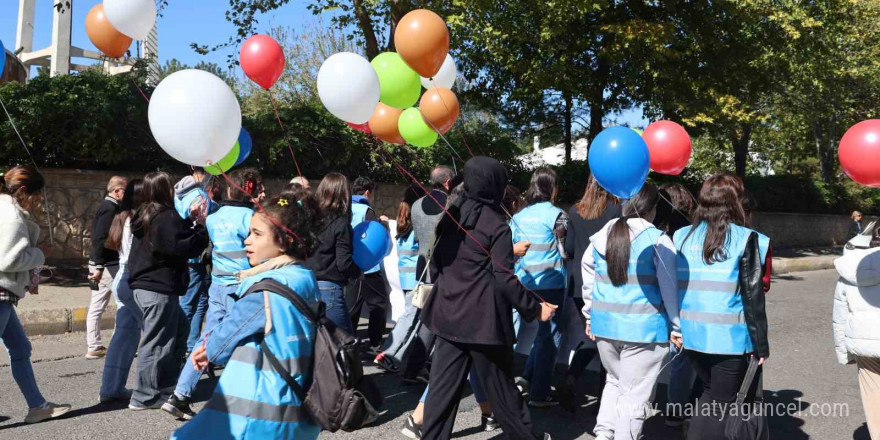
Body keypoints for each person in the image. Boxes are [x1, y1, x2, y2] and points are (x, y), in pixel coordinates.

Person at [420, 156, 556, 440]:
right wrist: (535, 308)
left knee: (441, 395)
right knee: (504, 392)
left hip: (448, 316)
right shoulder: (497, 225)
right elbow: (504, 278)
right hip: (483, 323)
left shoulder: (451, 214)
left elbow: (436, 265)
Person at [171, 196, 321, 440]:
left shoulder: (264, 292)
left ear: (284, 241)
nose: (247, 240)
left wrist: (207, 349)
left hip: (257, 412)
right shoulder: (305, 277)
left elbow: (220, 349)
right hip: (295, 408)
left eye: (257, 234)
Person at [673, 174, 769, 439]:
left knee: (710, 393)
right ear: (735, 200)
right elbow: (753, 296)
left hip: (692, 335)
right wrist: (761, 345)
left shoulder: (680, 236)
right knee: (721, 404)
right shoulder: (747, 238)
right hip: (730, 339)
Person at [581, 184, 680, 440]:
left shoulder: (605, 232)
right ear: (652, 209)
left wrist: (590, 314)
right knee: (634, 395)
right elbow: (670, 289)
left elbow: (588, 273)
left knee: (614, 382)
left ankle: (604, 434)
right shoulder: (658, 239)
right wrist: (678, 326)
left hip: (605, 327)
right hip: (644, 330)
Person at [163, 168, 262, 419]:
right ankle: (243, 402)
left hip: (218, 284)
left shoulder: (214, 218)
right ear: (250, 191)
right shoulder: (252, 219)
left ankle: (181, 394)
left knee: (206, 340)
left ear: (229, 189)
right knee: (248, 342)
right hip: (243, 286)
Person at [127, 171, 208, 411]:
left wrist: (190, 222)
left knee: (179, 331)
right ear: (165, 190)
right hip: (157, 287)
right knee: (157, 342)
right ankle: (144, 395)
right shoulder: (164, 216)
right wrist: (201, 228)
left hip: (148, 285)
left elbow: (171, 237)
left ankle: (166, 385)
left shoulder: (147, 213)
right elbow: (184, 246)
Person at [0, 166, 72, 423]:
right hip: (1, 291)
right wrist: (39, 253)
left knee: (20, 348)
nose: (38, 199)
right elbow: (9, 259)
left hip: (5, 293)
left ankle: (37, 406)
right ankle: (38, 405)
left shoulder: (4, 209)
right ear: (22, 191)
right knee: (20, 349)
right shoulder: (11, 215)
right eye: (36, 194)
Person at [559, 176, 621, 409]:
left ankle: (572, 376)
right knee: (607, 339)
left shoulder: (575, 210)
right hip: (606, 280)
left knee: (590, 335)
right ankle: (604, 395)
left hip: (578, 280)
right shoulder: (616, 210)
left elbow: (571, 248)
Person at [510, 167, 569, 407]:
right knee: (550, 336)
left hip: (523, 281)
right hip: (551, 282)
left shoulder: (518, 215)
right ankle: (539, 393)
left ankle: (526, 378)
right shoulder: (558, 215)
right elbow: (565, 251)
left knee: (534, 335)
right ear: (552, 187)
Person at [653, 183, 698, 428]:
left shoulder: (654, 237)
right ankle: (677, 408)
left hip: (652, 306)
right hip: (683, 307)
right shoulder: (690, 237)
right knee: (682, 359)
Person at [99, 178, 145, 403]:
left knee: (125, 336)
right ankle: (152, 388)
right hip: (134, 279)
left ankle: (111, 388)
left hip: (122, 278)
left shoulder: (122, 217)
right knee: (155, 333)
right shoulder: (138, 219)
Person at [374, 185, 426, 374]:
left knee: (412, 318)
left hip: (406, 278)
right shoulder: (418, 224)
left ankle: (392, 352)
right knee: (412, 319)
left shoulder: (404, 222)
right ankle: (388, 353)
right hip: (416, 278)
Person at [832, 245, 880, 440]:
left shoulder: (852, 266)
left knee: (873, 399)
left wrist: (844, 353)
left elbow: (840, 314)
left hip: (864, 345)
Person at [306, 173, 361, 334]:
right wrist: (357, 272)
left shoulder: (309, 219)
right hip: (328, 289)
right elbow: (343, 263)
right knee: (344, 343)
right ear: (344, 195)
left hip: (306, 285)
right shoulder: (340, 224)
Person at [173, 167, 215, 356]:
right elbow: (203, 222)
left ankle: (188, 344)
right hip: (198, 253)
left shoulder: (178, 194)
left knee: (197, 300)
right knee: (194, 301)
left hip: (186, 251)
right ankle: (184, 345)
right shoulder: (200, 196)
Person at [85, 175, 127, 359]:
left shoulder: (110, 207)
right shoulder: (110, 209)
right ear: (117, 191)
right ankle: (118, 345)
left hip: (102, 264)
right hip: (108, 266)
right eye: (126, 190)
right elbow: (99, 239)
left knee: (97, 306)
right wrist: (100, 266)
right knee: (124, 304)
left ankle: (94, 346)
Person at [348, 176, 391, 353]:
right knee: (378, 304)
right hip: (369, 266)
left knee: (353, 305)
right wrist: (384, 225)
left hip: (350, 264)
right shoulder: (367, 210)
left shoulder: (345, 208)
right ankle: (375, 342)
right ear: (367, 192)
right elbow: (375, 237)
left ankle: (349, 341)